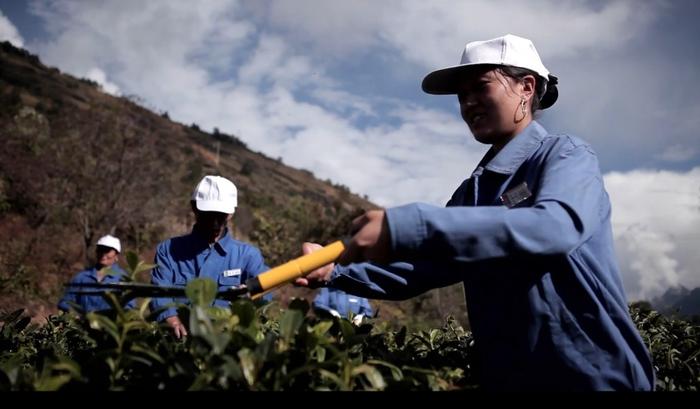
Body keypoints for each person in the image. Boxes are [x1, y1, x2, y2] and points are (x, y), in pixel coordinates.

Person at [297, 34, 655, 391]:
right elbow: (422, 267)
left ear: (526, 88)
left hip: (595, 377)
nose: (468, 103)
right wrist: (336, 270)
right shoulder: (472, 193)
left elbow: (555, 227)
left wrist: (409, 224)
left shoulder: (564, 155)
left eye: (481, 88)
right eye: (462, 95)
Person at [151, 175, 272, 338]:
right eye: (209, 215)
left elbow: (265, 292)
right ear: (194, 208)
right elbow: (159, 291)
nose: (215, 223)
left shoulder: (248, 256)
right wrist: (171, 319)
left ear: (230, 213)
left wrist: (251, 295)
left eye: (220, 216)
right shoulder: (169, 250)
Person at [58, 234, 136, 313]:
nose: (103, 254)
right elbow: (65, 302)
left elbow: (129, 307)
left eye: (107, 250)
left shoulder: (123, 278)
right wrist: (75, 314)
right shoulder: (82, 277)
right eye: (100, 250)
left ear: (116, 255)